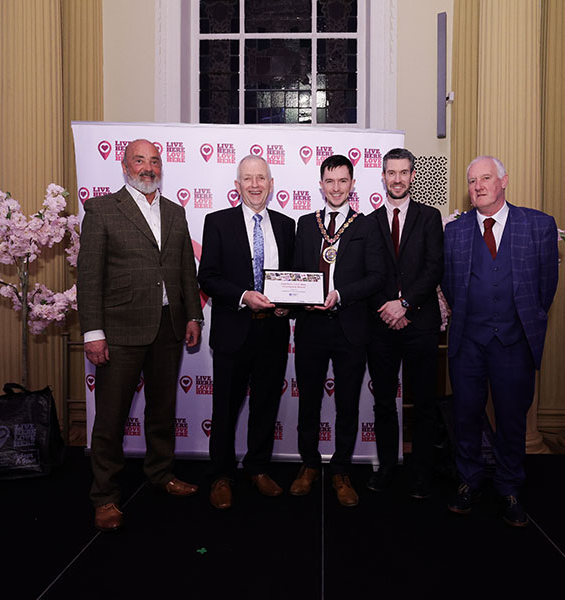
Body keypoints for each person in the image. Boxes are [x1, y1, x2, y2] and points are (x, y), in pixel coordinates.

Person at [78, 138, 204, 532]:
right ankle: (105, 496)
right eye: (139, 160)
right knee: (111, 419)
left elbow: (186, 271)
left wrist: (193, 317)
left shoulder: (175, 211)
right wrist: (93, 333)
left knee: (162, 411)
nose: (147, 167)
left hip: (168, 328)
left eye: (153, 161)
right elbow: (89, 276)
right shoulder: (101, 210)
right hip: (118, 331)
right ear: (124, 164)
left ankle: (161, 474)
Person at [440, 155, 558, 527]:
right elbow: (449, 283)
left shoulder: (537, 225)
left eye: (486, 178)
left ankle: (509, 486)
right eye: (472, 180)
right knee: (466, 416)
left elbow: (546, 286)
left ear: (504, 181)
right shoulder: (455, 232)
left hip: (513, 342)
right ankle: (469, 481)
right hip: (468, 343)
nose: (478, 186)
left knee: (510, 419)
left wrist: (526, 322)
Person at [197, 154, 296, 510]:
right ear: (237, 186)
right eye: (248, 179)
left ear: (271, 185)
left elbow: (293, 279)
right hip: (232, 332)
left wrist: (289, 304)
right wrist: (243, 296)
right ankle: (220, 475)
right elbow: (207, 276)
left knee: (266, 405)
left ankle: (258, 467)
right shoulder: (217, 222)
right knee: (224, 407)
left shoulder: (287, 225)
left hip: (272, 333)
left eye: (261, 178)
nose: (255, 185)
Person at [290, 154, 385, 507]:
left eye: (343, 181)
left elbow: (376, 277)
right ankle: (309, 465)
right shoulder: (305, 223)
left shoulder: (366, 226)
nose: (336, 188)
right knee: (309, 403)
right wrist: (299, 299)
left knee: (347, 404)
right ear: (321, 184)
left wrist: (340, 295)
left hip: (350, 328)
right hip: (311, 328)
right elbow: (296, 273)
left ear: (353, 184)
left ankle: (342, 469)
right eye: (330, 181)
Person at [365, 148, 444, 499]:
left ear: (413, 176)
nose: (397, 179)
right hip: (381, 325)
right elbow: (367, 274)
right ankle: (385, 467)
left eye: (403, 172)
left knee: (425, 402)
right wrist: (388, 307)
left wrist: (405, 304)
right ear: (382, 177)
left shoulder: (430, 217)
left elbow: (434, 268)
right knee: (383, 401)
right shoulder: (368, 222)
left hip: (420, 322)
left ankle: (421, 472)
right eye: (390, 173)